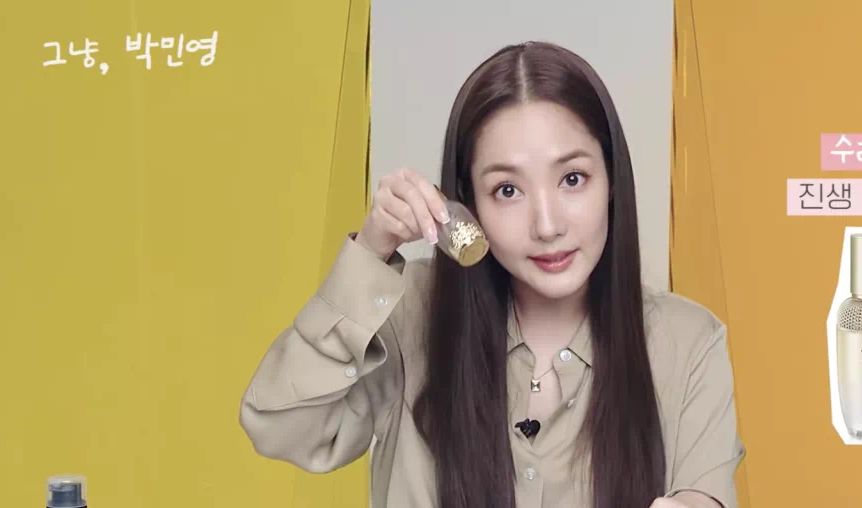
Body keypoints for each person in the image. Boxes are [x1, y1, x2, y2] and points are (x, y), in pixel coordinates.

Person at [239, 41, 745, 508]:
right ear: (468, 203)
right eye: (507, 190)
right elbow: (281, 427)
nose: (547, 226)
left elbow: (705, 494)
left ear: (612, 180)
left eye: (572, 179)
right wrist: (370, 253)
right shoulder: (408, 310)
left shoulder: (687, 343)